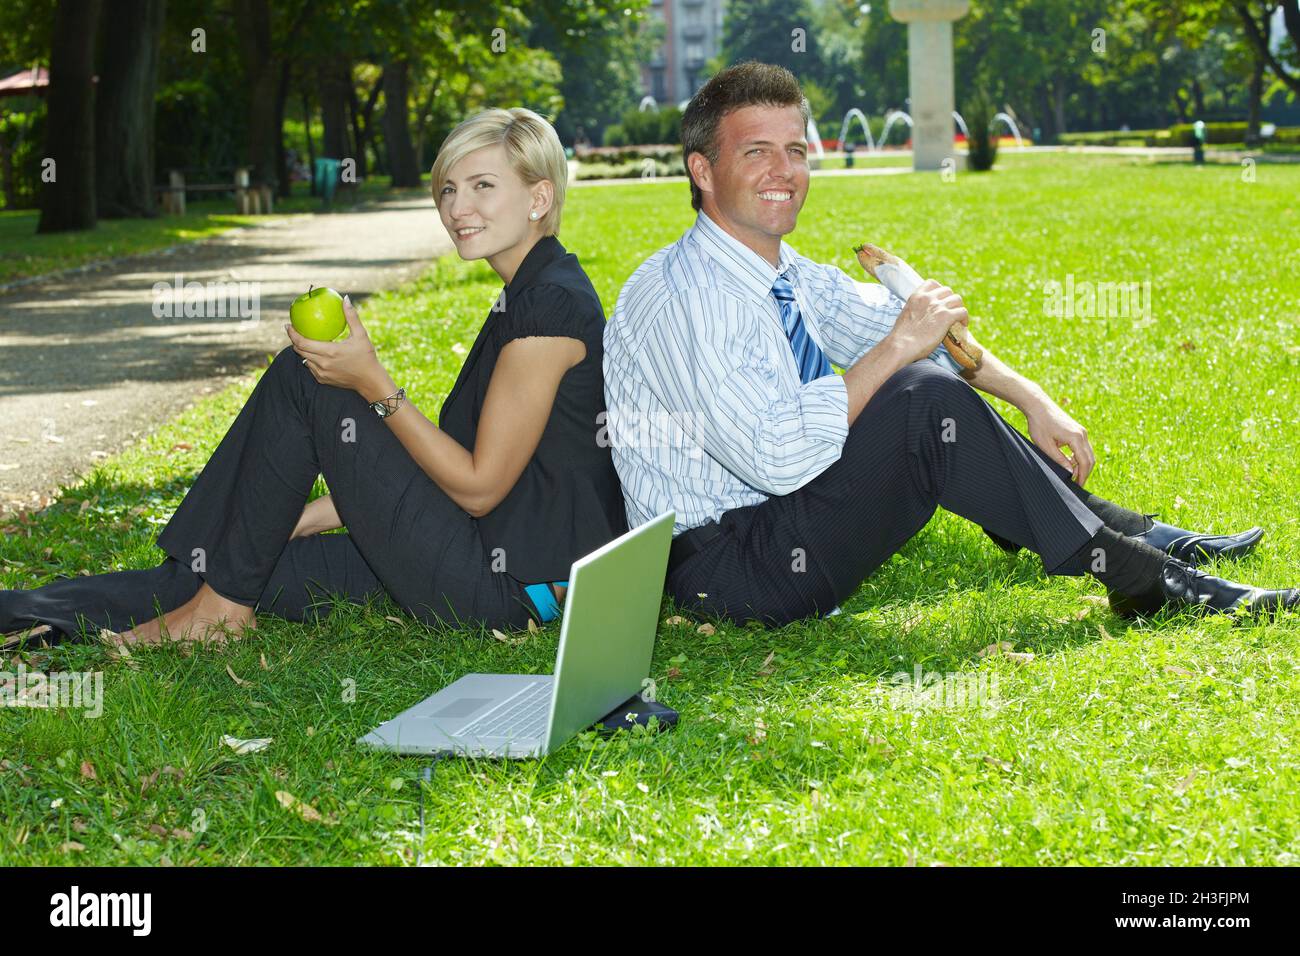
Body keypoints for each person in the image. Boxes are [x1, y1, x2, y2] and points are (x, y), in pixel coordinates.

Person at [602, 61, 1298, 627]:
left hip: (781, 524)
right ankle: (1140, 573)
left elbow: (920, 334)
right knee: (918, 397)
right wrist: (900, 347)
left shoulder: (785, 273)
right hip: (723, 572)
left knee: (922, 385)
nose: (784, 170)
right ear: (702, 171)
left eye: (794, 150)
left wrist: (1034, 399)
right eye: (756, 152)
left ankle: (1137, 541)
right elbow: (776, 455)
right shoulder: (683, 295)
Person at [1, 107, 626, 647]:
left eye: (482, 186)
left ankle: (220, 616)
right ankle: (46, 610)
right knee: (236, 560)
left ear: (538, 198)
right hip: (477, 549)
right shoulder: (528, 292)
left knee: (310, 379)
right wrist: (302, 515)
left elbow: (480, 486)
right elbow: (468, 465)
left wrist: (370, 378)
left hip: (508, 589)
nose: (457, 208)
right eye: (447, 190)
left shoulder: (549, 309)